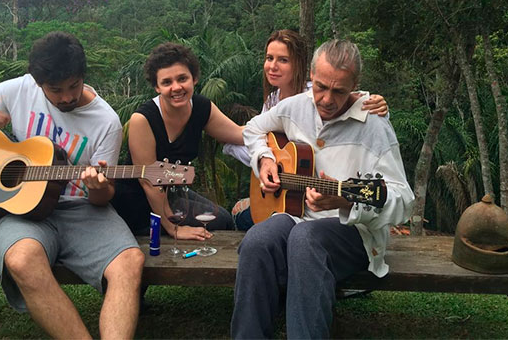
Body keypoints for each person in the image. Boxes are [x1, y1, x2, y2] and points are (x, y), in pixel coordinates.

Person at [0, 32, 143, 339]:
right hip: (20, 211)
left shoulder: (107, 122)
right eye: (55, 90)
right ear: (38, 83)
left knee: (129, 262)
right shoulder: (19, 89)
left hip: (81, 209)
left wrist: (98, 188)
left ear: (83, 76)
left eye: (73, 86)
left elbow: (102, 198)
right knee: (21, 259)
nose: (66, 97)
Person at [231, 39, 414, 339]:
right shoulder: (294, 107)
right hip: (295, 216)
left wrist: (345, 201)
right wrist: (263, 158)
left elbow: (403, 199)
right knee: (257, 240)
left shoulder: (375, 125)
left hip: (354, 233)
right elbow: (252, 129)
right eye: (320, 87)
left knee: (306, 238)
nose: (327, 99)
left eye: (339, 91)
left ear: (355, 85)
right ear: (310, 78)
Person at [224, 29, 389, 230]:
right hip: (288, 198)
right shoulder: (273, 100)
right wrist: (264, 159)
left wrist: (372, 102)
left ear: (301, 65)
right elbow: (258, 134)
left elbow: (347, 100)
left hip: (318, 209)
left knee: (244, 220)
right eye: (269, 58)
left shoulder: (315, 97)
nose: (273, 66)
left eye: (283, 60)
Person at [111, 42, 242, 240]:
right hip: (137, 202)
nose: (176, 88)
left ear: (194, 78)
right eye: (167, 82)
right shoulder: (144, 119)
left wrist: (281, 121)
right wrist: (174, 229)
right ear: (157, 87)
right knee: (217, 223)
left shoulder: (201, 108)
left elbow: (240, 134)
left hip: (172, 195)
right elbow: (149, 182)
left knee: (223, 219)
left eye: (182, 79)